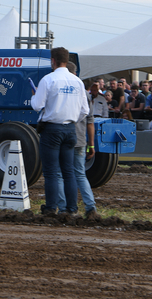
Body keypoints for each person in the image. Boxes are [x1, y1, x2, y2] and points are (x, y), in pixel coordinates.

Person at [31, 47, 89, 216]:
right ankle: (72, 209)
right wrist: (71, 120)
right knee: (69, 170)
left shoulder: (48, 80)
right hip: (70, 129)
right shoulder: (78, 82)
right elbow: (84, 110)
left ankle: (51, 208)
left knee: (51, 172)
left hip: (52, 129)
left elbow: (37, 105)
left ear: (53, 61)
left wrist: (34, 95)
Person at [59, 62, 99, 219]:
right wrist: (91, 144)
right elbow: (90, 122)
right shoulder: (85, 93)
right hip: (81, 139)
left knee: (62, 174)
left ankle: (64, 208)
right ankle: (90, 207)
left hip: (65, 137)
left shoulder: (62, 90)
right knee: (80, 174)